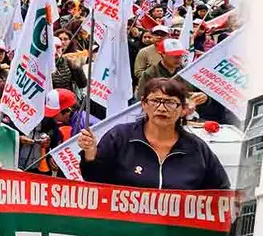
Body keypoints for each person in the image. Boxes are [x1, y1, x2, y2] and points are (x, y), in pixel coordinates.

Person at [76, 78, 229, 190]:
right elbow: (94, 181)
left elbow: (220, 190)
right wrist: (90, 154)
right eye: (155, 101)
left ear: (183, 109)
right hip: (124, 230)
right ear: (144, 104)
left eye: (170, 103)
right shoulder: (120, 137)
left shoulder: (197, 148)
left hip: (176, 232)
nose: (162, 108)